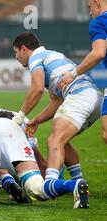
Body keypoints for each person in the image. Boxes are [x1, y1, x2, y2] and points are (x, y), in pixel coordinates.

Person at [11, 32, 101, 204]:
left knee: (54, 140)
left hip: (80, 96)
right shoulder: (53, 55)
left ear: (24, 49)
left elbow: (37, 89)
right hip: (94, 98)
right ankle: (78, 182)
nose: (16, 57)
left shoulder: (35, 58)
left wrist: (20, 116)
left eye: (16, 52)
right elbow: (57, 102)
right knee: (63, 141)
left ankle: (49, 184)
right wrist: (37, 119)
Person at [59, 0, 107, 144]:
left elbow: (98, 53)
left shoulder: (100, 22)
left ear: (96, 2)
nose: (90, 12)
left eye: (89, 7)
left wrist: (73, 74)